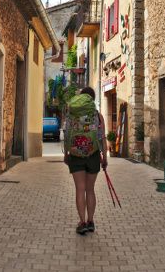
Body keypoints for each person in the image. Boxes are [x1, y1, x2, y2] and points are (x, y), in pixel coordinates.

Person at [62, 86, 108, 235]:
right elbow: (102, 138)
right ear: (92, 99)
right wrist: (105, 158)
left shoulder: (71, 115)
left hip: (76, 155)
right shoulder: (97, 115)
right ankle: (91, 221)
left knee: (80, 189)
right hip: (93, 155)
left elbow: (67, 133)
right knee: (90, 190)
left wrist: (67, 153)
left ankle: (82, 222)